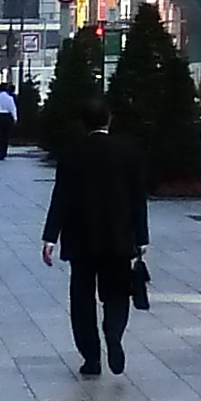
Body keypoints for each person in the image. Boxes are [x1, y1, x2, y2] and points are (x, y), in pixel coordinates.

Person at [43, 85, 149, 378]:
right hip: (119, 238)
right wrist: (141, 238)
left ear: (83, 123)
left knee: (82, 298)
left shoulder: (71, 154)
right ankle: (113, 332)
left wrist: (50, 237)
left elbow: (60, 197)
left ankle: (91, 357)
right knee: (116, 293)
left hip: (81, 239)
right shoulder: (129, 152)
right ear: (109, 120)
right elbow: (138, 198)